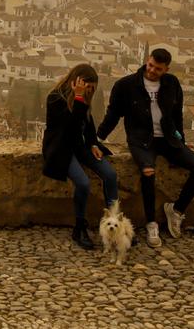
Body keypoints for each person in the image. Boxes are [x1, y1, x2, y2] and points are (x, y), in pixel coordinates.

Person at [97, 48, 194, 247]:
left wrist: (180, 140)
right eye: (150, 65)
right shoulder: (126, 85)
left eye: (157, 68)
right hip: (141, 140)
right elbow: (113, 114)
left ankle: (176, 211)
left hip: (168, 139)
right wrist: (99, 138)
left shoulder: (172, 83)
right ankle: (151, 224)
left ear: (166, 69)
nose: (152, 71)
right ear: (147, 61)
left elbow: (177, 115)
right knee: (148, 172)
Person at [43, 63, 117, 250]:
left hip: (81, 145)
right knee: (83, 183)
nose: (89, 91)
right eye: (87, 87)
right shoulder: (55, 98)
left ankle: (115, 224)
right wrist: (77, 98)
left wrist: (93, 143)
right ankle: (79, 226)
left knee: (110, 174)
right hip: (62, 147)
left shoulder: (84, 98)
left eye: (92, 88)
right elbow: (70, 129)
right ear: (76, 81)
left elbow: (88, 124)